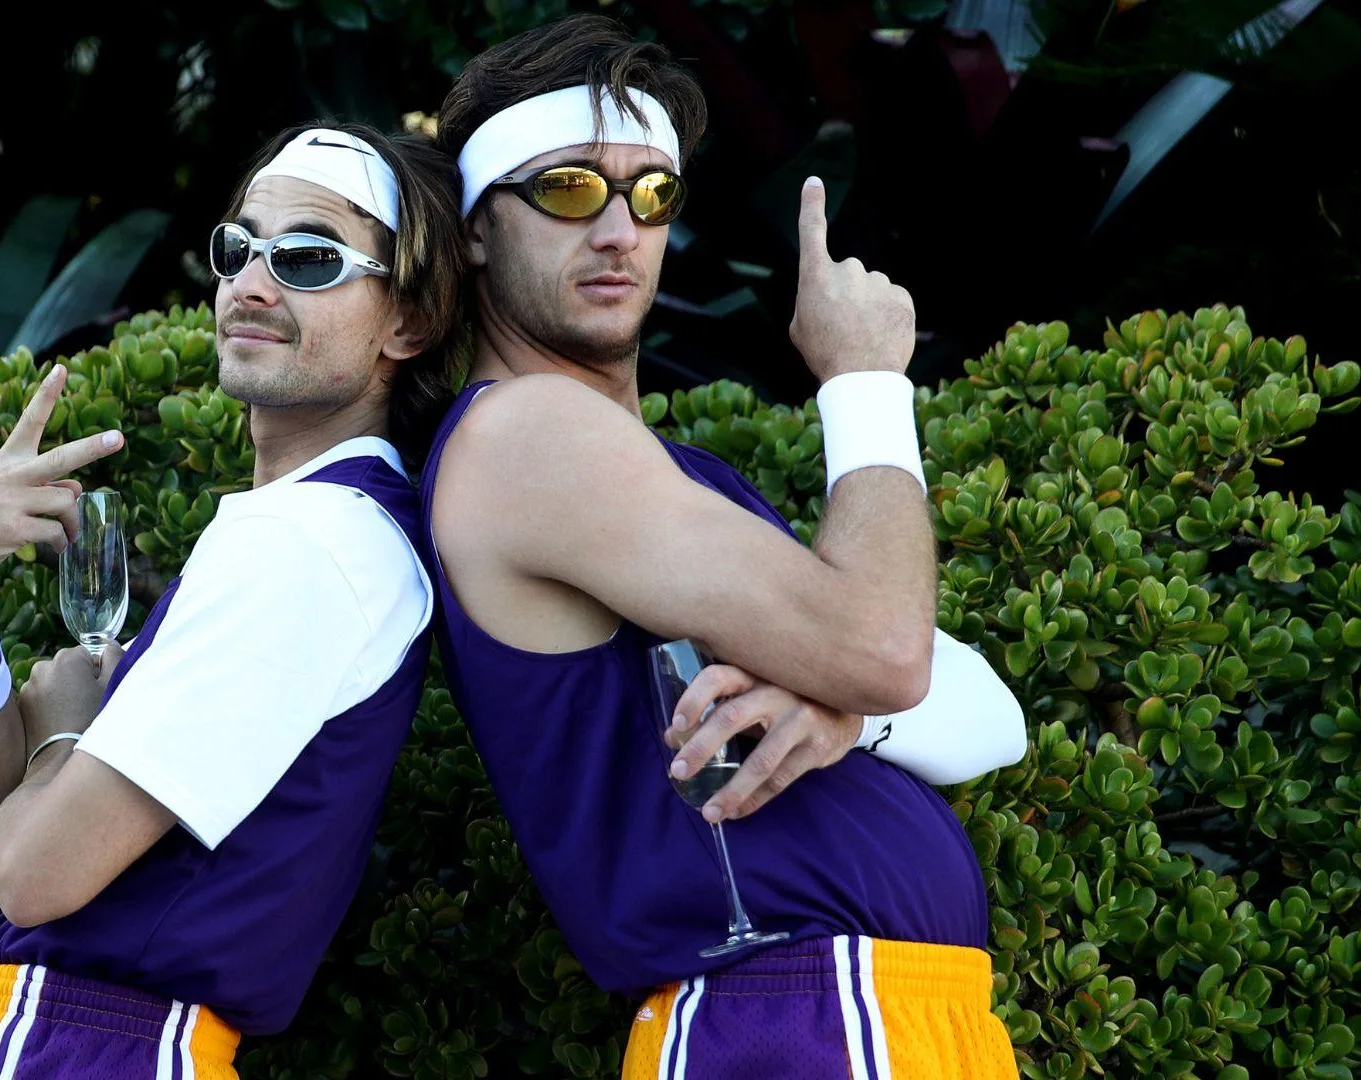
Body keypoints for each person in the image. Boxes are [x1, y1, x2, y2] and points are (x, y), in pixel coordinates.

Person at [420, 16, 1025, 1077]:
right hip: (795, 1014)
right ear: (476, 227)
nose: (619, 231)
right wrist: (865, 382)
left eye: (652, 194)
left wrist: (842, 714)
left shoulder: (664, 470)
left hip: (867, 1010)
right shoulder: (528, 434)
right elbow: (892, 651)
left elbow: (985, 714)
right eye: (568, 189)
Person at [0, 120, 464, 1078]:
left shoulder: (312, 547)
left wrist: (63, 734)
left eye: (309, 258)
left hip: (96, 1046)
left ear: (406, 323)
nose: (252, 282)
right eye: (238, 247)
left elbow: (34, 876)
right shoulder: (302, 528)